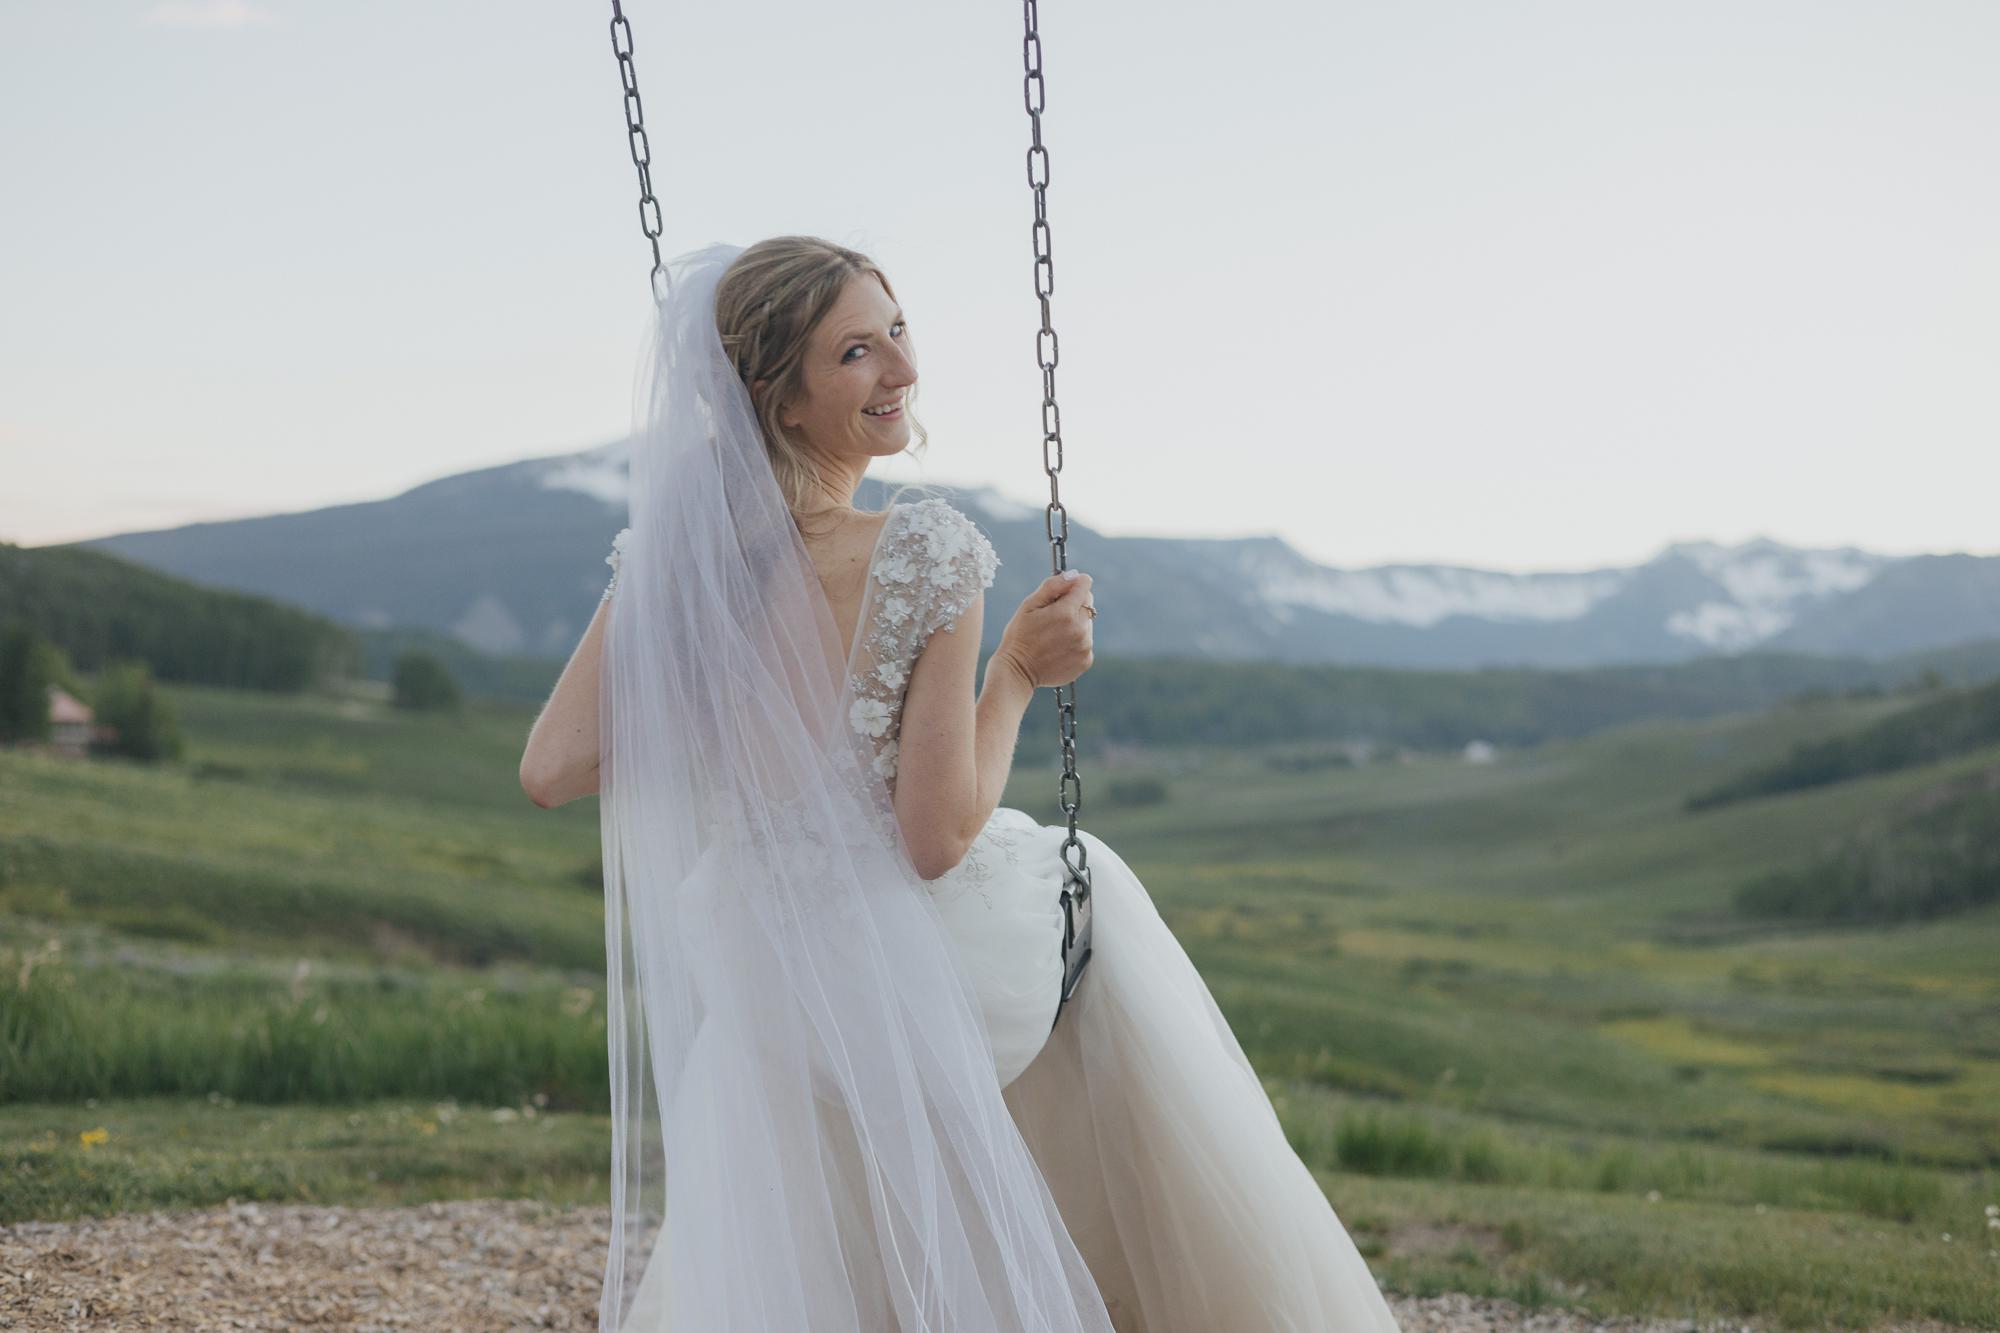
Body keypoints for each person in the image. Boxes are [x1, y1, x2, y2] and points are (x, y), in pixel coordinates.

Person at [520, 237, 1401, 1332]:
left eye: (897, 331)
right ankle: (1144, 1275)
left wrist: (708, 696)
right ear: (779, 402)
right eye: (854, 351)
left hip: (759, 968)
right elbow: (932, 836)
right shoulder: (921, 549)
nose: (900, 370)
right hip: (916, 971)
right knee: (1090, 889)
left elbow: (551, 766)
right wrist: (1018, 673)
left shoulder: (678, 562)